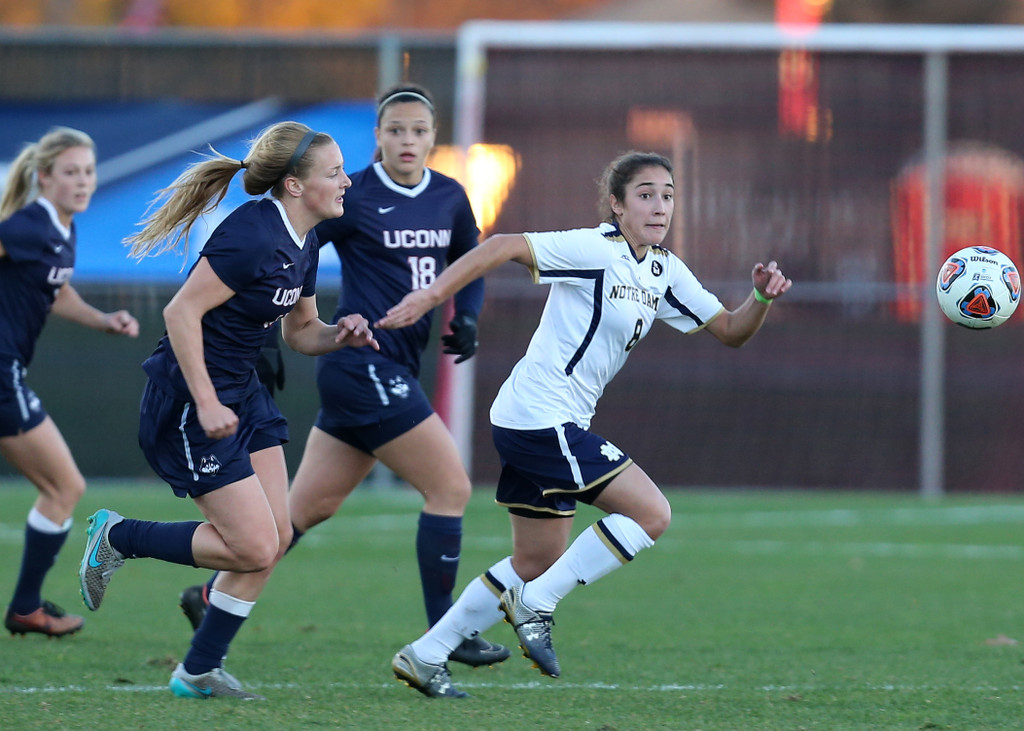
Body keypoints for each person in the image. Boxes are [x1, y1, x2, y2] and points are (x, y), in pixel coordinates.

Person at [379, 150, 793, 698]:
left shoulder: (664, 271)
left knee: (535, 560)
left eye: (668, 194)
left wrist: (761, 297)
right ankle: (536, 605)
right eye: (645, 194)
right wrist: (434, 295)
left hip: (537, 419)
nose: (660, 205)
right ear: (617, 206)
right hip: (538, 417)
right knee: (651, 514)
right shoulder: (595, 248)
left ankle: (425, 655)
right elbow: (505, 246)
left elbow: (732, 330)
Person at [176, 83, 509, 668]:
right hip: (362, 364)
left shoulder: (452, 196)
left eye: (419, 130)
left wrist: (470, 316)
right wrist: (266, 329)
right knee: (451, 487)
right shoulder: (346, 193)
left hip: (388, 365)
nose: (408, 140)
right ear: (377, 137)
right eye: (396, 130)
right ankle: (447, 634)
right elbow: (287, 241)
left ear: (435, 138)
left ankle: (210, 596)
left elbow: (470, 260)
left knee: (303, 513)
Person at [78, 121, 378, 700]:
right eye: (335, 171)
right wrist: (209, 400)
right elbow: (180, 314)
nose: (347, 180)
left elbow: (301, 332)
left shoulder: (305, 238)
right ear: (294, 185)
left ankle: (197, 672)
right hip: (192, 404)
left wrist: (341, 332)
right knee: (254, 545)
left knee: (276, 536)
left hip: (244, 395)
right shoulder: (253, 235)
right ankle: (118, 536)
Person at [0, 127, 140, 638]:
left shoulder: (62, 227)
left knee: (60, 487)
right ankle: (25, 608)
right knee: (65, 486)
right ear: (44, 178)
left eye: (88, 171)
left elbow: (55, 293)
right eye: (71, 172)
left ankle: (25, 606)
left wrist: (104, 319)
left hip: (8, 372)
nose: (83, 181)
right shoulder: (30, 224)